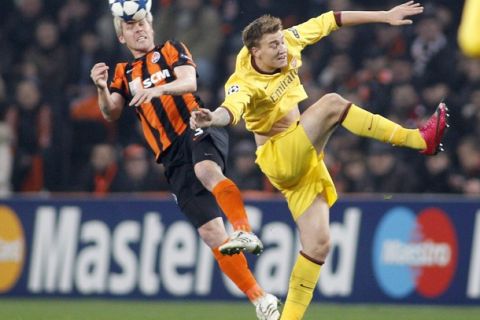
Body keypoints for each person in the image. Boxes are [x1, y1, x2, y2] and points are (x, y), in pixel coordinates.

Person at [190, 2, 448, 319]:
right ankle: (419, 140)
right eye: (273, 45)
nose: (281, 48)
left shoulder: (288, 41)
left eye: (281, 40)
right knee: (331, 104)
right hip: (279, 156)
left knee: (318, 245)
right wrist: (211, 118)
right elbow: (231, 109)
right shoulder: (242, 81)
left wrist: (383, 16)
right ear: (255, 52)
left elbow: (331, 20)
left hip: (303, 161)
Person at [89, 11, 280, 320]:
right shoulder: (122, 73)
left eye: (142, 23)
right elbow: (111, 112)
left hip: (197, 123)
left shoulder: (171, 49)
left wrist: (159, 89)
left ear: (150, 25)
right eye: (130, 27)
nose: (138, 29)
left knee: (206, 171)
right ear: (122, 37)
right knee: (211, 233)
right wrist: (100, 87)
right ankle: (260, 298)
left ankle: (244, 230)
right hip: (170, 155)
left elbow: (189, 81)